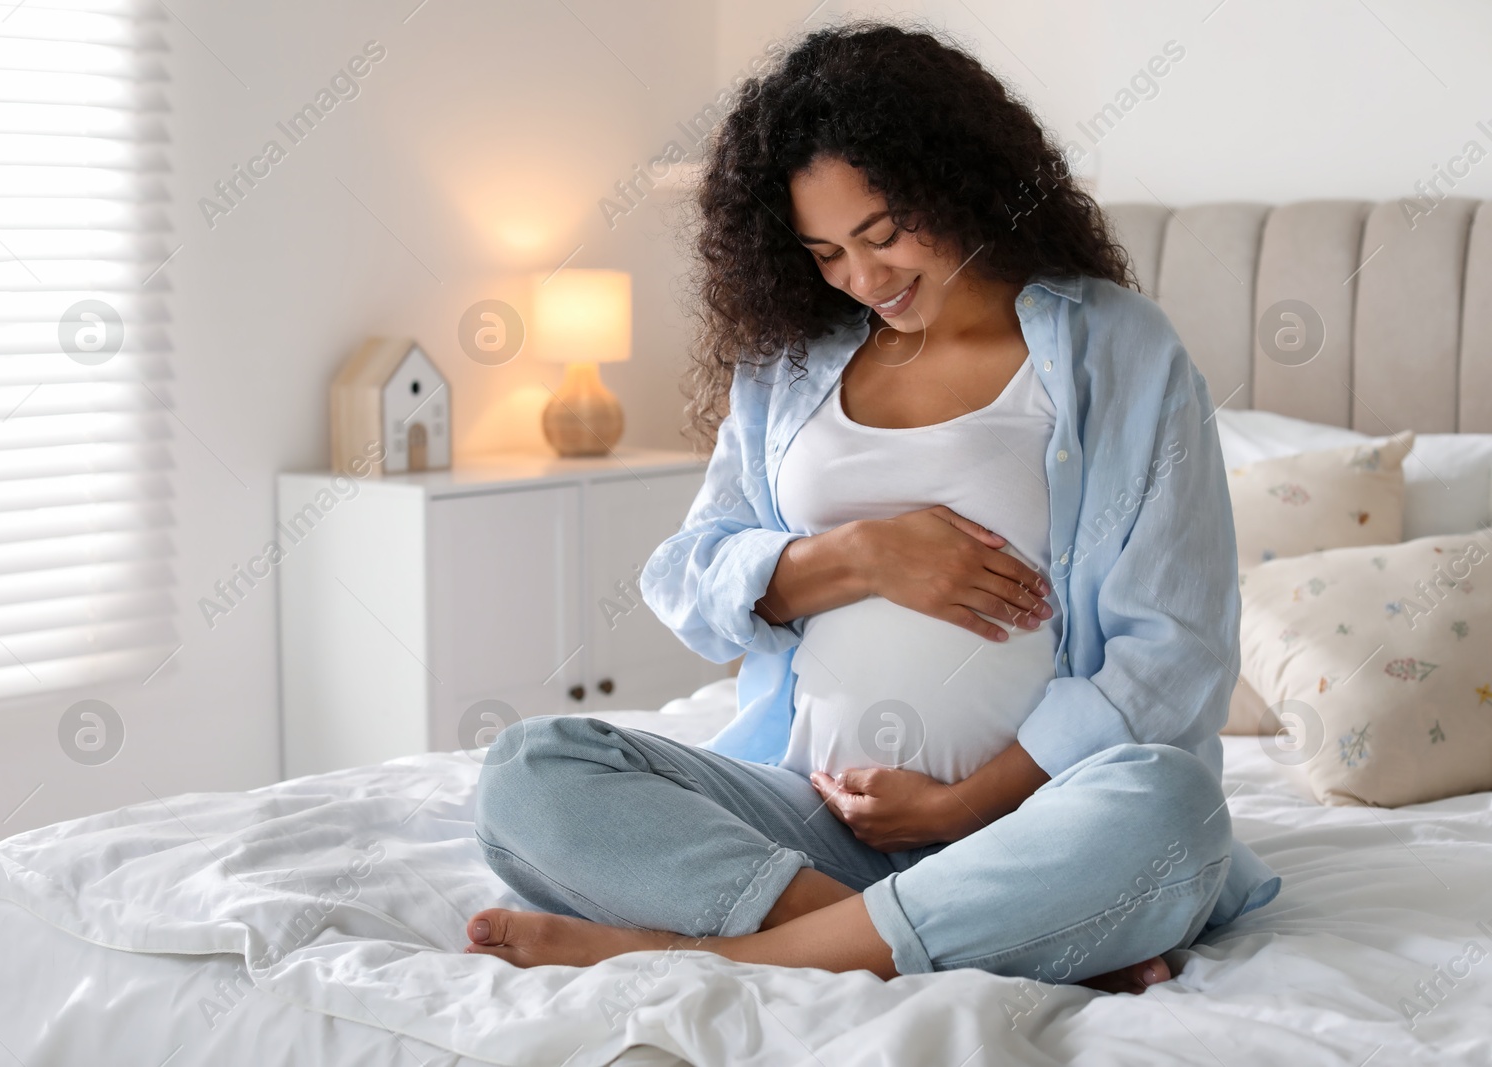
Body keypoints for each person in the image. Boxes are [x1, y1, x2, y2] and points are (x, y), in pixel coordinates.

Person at [465, 21, 1280, 994]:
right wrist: (858, 556)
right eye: (825, 252)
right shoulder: (792, 366)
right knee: (530, 768)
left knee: (1168, 804)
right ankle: (972, 932)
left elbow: (1172, 650)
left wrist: (953, 810)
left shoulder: (1115, 346)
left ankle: (711, 953)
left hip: (1039, 821)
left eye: (884, 233)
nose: (863, 277)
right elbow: (690, 577)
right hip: (813, 820)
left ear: (957, 181)